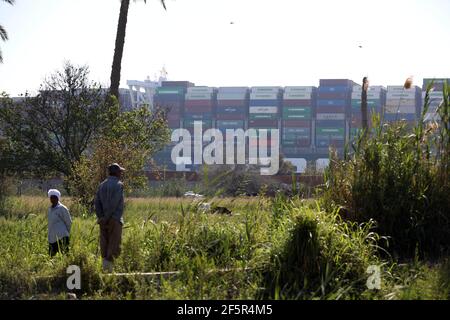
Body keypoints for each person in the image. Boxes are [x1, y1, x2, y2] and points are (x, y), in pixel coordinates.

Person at [94, 163, 125, 273]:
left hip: (103, 220)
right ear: (116, 172)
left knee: (104, 244)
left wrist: (101, 217)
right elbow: (114, 203)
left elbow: (96, 203)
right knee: (114, 245)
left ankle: (104, 270)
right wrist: (107, 217)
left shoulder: (101, 185)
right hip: (114, 219)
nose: (121, 173)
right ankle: (109, 273)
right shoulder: (119, 185)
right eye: (120, 171)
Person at [47, 189, 72, 257]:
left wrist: (67, 233)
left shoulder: (62, 208)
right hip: (52, 237)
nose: (52, 199)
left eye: (54, 197)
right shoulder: (50, 209)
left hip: (62, 236)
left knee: (65, 255)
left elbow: (68, 222)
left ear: (58, 198)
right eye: (51, 197)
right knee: (51, 256)